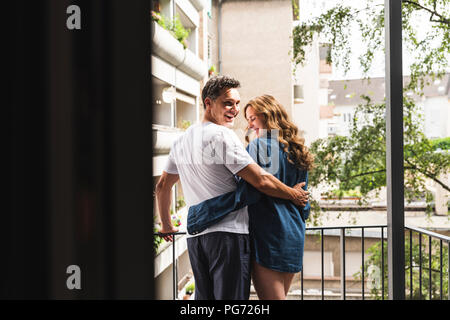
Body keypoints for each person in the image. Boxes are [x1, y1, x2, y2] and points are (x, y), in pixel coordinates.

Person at [155, 76, 309, 300]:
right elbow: (260, 181)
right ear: (208, 103)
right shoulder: (222, 136)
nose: (235, 110)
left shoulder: (182, 140)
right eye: (228, 103)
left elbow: (162, 186)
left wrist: (166, 225)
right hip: (229, 236)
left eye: (237, 104)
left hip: (196, 238)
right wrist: (294, 194)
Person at [189, 94, 314, 300]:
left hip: (268, 234)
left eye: (252, 118)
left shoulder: (258, 146)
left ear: (268, 116)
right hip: (293, 233)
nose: (249, 124)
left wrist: (203, 212)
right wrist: (291, 196)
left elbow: (248, 192)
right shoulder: (296, 150)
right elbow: (304, 202)